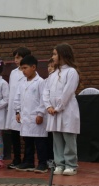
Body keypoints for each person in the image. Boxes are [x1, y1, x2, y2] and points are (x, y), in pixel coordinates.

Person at [43, 43, 80, 176]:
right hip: (53, 112)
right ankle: (59, 163)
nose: (52, 57)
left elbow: (68, 92)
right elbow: (45, 91)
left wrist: (58, 108)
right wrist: (48, 106)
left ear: (62, 55)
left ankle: (71, 164)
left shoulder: (71, 72)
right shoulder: (53, 74)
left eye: (54, 54)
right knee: (57, 138)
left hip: (66, 110)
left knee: (68, 137)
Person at [14, 55, 49, 173]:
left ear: (33, 67)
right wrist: (17, 111)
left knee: (40, 142)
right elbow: (17, 98)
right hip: (25, 116)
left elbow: (43, 99)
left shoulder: (40, 82)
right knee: (27, 140)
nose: (23, 71)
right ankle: (28, 162)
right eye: (21, 69)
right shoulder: (22, 83)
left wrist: (40, 113)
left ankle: (42, 163)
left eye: (25, 68)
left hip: (36, 116)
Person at [5, 47, 31, 169]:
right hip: (13, 108)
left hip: (24, 108)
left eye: (18, 57)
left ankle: (27, 159)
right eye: (14, 57)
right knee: (14, 135)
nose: (15, 60)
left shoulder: (27, 73)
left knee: (26, 135)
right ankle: (16, 159)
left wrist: (19, 109)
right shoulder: (13, 73)